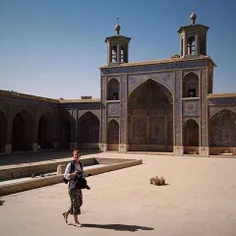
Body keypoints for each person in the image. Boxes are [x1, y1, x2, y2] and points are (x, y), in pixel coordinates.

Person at [62, 149, 85, 227]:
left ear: (80, 156)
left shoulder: (81, 164)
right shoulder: (70, 165)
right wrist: (73, 174)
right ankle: (76, 221)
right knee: (75, 203)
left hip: (78, 186)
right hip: (72, 186)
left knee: (80, 202)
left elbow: (82, 174)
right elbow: (65, 175)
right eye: (75, 154)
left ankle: (66, 213)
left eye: (78, 155)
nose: (76, 156)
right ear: (73, 156)